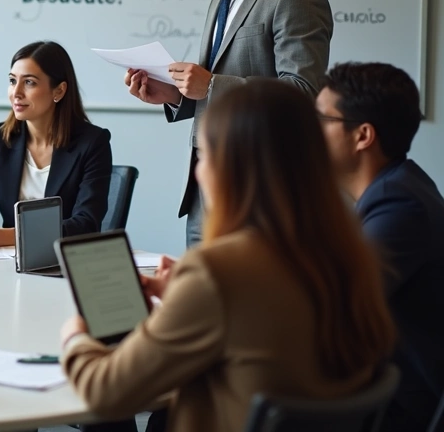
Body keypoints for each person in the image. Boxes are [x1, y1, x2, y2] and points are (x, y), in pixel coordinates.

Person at [59, 80, 395, 432]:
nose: (198, 172)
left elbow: (106, 393)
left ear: (234, 168)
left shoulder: (216, 272)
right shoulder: (347, 256)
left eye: (204, 155)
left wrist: (75, 334)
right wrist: (184, 298)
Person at [123, 0, 333, 246]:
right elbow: (214, 88)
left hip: (259, 192)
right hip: (204, 191)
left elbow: (302, 93)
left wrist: (211, 86)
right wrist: (175, 95)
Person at [317, 62, 444, 432]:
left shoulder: (399, 204)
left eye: (320, 120)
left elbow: (334, 304)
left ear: (362, 136)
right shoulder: (396, 188)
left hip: (395, 407)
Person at [0, 41, 111, 248]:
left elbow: (86, 225)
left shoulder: (93, 142)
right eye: (12, 81)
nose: (16, 92)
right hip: (9, 260)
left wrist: (6, 236)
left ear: (59, 91)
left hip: (65, 259)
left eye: (29, 82)